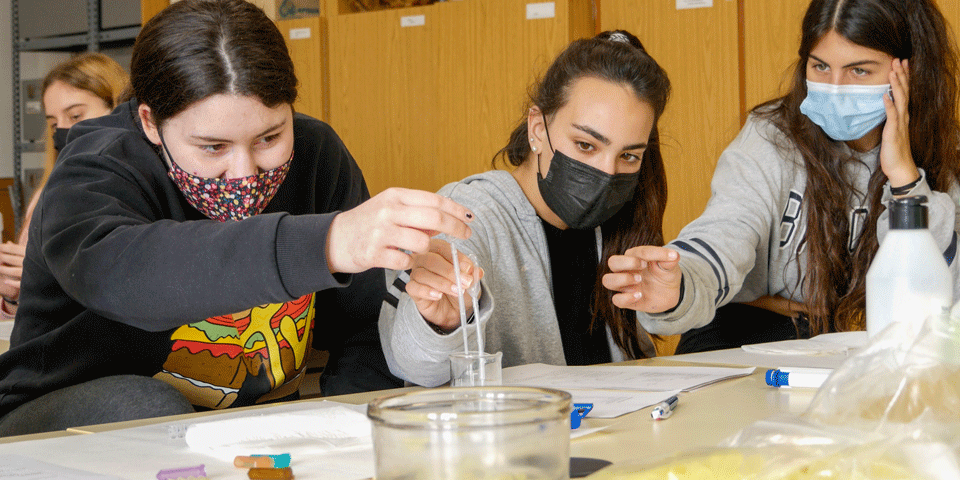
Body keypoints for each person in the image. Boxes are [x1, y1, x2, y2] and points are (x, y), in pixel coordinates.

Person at [0, 0, 473, 436]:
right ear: (150, 123)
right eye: (212, 147)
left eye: (270, 137)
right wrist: (325, 243)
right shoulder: (92, 170)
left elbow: (361, 331)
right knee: (140, 403)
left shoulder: (317, 154)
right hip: (59, 424)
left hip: (243, 431)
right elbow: (128, 275)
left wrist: (353, 431)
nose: (244, 173)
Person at [609, 0, 960, 352]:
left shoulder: (943, 149)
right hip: (751, 336)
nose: (834, 87)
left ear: (909, 70)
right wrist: (679, 285)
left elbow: (940, 293)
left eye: (859, 71)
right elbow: (726, 231)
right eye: (820, 66)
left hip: (870, 346)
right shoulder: (770, 136)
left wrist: (904, 178)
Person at [379, 31, 672, 387]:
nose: (607, 173)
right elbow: (411, 364)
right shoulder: (468, 215)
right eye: (585, 145)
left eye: (628, 156)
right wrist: (445, 323)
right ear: (537, 128)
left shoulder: (622, 223)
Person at [0, 53, 129, 320]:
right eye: (53, 123)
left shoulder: (137, 191)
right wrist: (14, 293)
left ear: (117, 107)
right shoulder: (45, 195)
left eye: (75, 115)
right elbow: (26, 311)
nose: (63, 130)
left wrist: (47, 278)